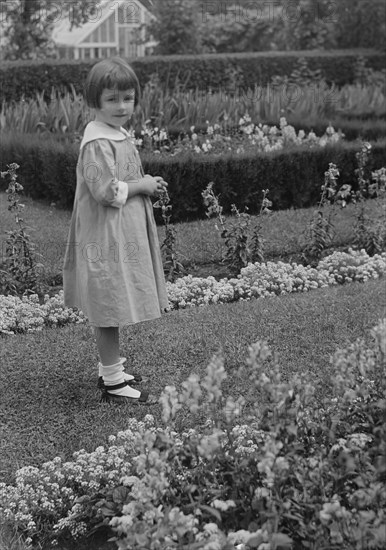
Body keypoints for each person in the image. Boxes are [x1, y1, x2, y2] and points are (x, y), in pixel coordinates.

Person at [63, 57, 169, 404]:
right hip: (105, 237)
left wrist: (143, 184)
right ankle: (112, 382)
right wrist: (144, 185)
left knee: (115, 299)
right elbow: (105, 191)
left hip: (118, 233)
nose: (122, 106)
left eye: (128, 98)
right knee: (108, 303)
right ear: (94, 101)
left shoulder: (115, 133)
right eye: (112, 99)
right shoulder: (97, 142)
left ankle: (113, 367)